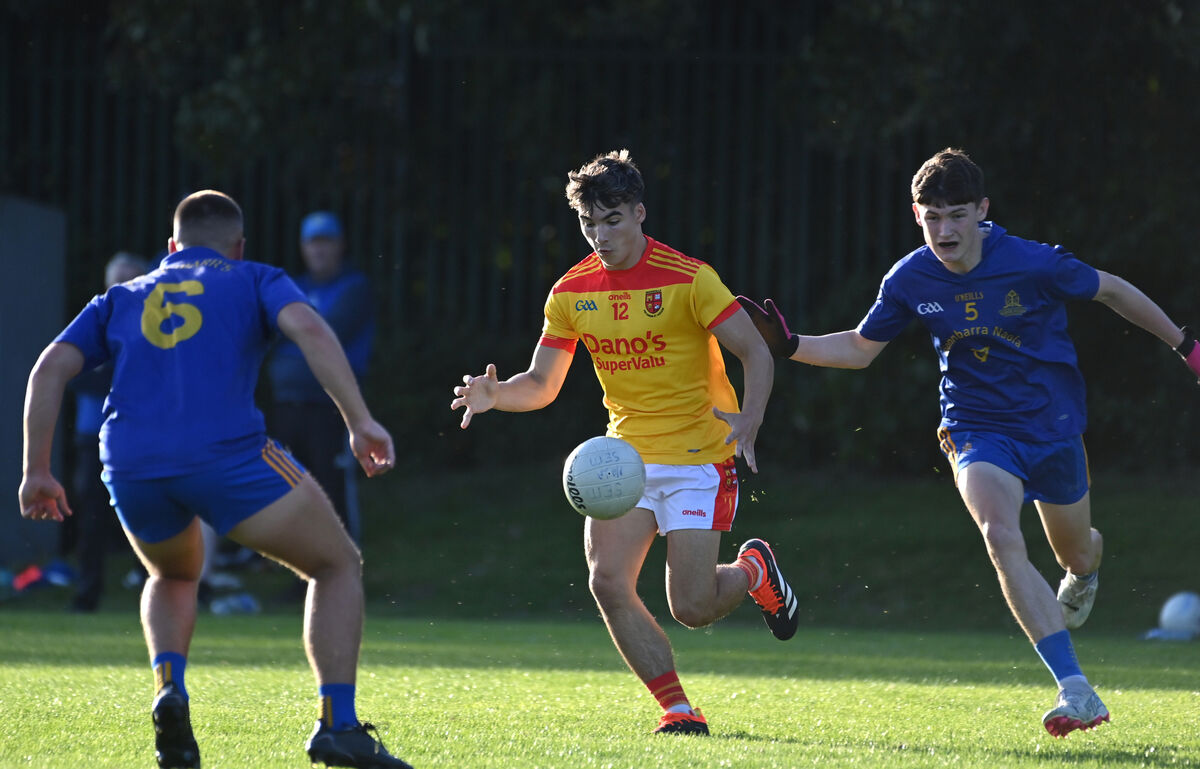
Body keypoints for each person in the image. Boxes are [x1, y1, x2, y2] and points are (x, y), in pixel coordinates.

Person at [737, 147, 1200, 738]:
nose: (945, 229)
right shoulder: (909, 277)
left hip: (1054, 427)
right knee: (999, 533)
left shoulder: (1034, 264)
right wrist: (790, 343)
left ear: (983, 210)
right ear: (916, 214)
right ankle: (1075, 689)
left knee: (1076, 554)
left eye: (957, 214)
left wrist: (1184, 346)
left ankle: (1084, 568)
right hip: (975, 428)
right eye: (932, 216)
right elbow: (859, 348)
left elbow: (1113, 291)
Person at [18, 191, 412, 769]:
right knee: (335, 564)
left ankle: (170, 690)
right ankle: (338, 725)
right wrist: (360, 421)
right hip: (226, 456)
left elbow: (49, 366)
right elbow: (310, 329)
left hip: (131, 463)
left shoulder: (122, 296)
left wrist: (36, 470)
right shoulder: (255, 277)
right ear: (238, 244)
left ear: (171, 247)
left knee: (172, 572)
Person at [450, 150, 799, 737]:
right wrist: (496, 395)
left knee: (691, 607)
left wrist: (751, 418)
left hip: (699, 459)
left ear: (639, 212)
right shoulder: (571, 293)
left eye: (612, 219)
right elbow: (540, 384)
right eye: (589, 223)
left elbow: (755, 351)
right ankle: (678, 709)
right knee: (607, 580)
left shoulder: (689, 278)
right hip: (625, 460)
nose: (600, 234)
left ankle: (754, 571)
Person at [265, 210, 373, 541]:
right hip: (287, 404)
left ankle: (346, 567)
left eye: (326, 243)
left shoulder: (355, 287)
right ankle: (307, 572)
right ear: (303, 247)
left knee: (331, 487)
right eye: (313, 243)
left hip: (331, 406)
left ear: (340, 245)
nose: (319, 251)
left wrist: (297, 333)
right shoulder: (294, 286)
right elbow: (271, 333)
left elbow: (330, 334)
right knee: (292, 489)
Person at [65, 251, 147, 612]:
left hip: (143, 437)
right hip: (92, 437)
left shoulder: (156, 326)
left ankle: (151, 591)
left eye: (130, 280)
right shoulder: (92, 318)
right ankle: (88, 592)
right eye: (117, 280)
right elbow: (75, 375)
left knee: (148, 515)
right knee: (91, 518)